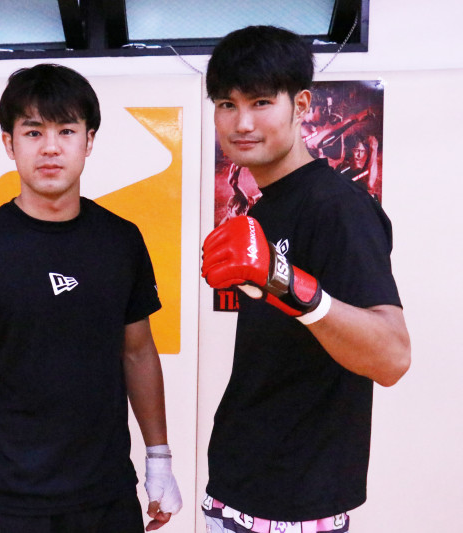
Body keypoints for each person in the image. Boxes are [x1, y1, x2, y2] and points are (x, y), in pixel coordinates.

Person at [0, 64, 182, 532]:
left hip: (108, 494)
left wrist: (159, 460)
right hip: (10, 501)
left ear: (88, 141)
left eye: (66, 130)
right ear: (9, 143)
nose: (50, 147)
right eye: (33, 132)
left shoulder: (121, 240)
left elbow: (137, 351)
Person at [199, 26, 411, 532]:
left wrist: (284, 282)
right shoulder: (265, 209)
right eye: (227, 104)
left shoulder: (337, 207)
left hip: (295, 501)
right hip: (239, 486)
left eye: (261, 102)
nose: (242, 122)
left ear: (301, 105)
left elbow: (392, 357)